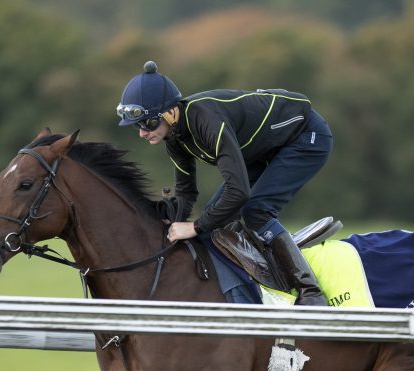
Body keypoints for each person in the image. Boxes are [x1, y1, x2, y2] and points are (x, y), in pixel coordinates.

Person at [116, 60, 331, 306]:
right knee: (215, 216)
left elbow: (238, 192)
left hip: (305, 136)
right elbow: (186, 191)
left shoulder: (207, 122)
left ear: (171, 112)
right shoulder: (174, 137)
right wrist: (169, 224)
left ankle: (311, 293)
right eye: (138, 126)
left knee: (255, 211)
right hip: (264, 148)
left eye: (148, 123)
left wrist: (195, 227)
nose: (142, 132)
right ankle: (248, 285)